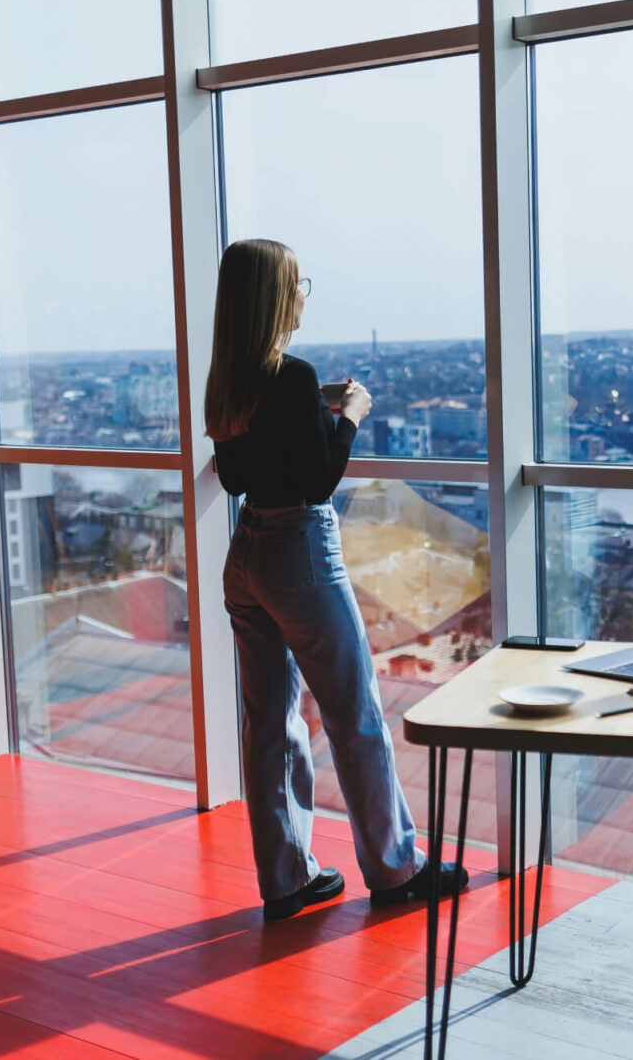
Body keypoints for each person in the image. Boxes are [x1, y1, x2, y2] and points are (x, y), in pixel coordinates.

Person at [204, 238, 467, 920]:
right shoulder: (291, 377)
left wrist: (309, 412)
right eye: (297, 284)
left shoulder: (230, 381)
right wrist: (349, 415)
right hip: (300, 553)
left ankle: (286, 878)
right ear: (275, 297)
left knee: (269, 721)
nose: (301, 295)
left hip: (248, 556)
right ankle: (393, 867)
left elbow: (238, 475)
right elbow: (318, 481)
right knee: (355, 713)